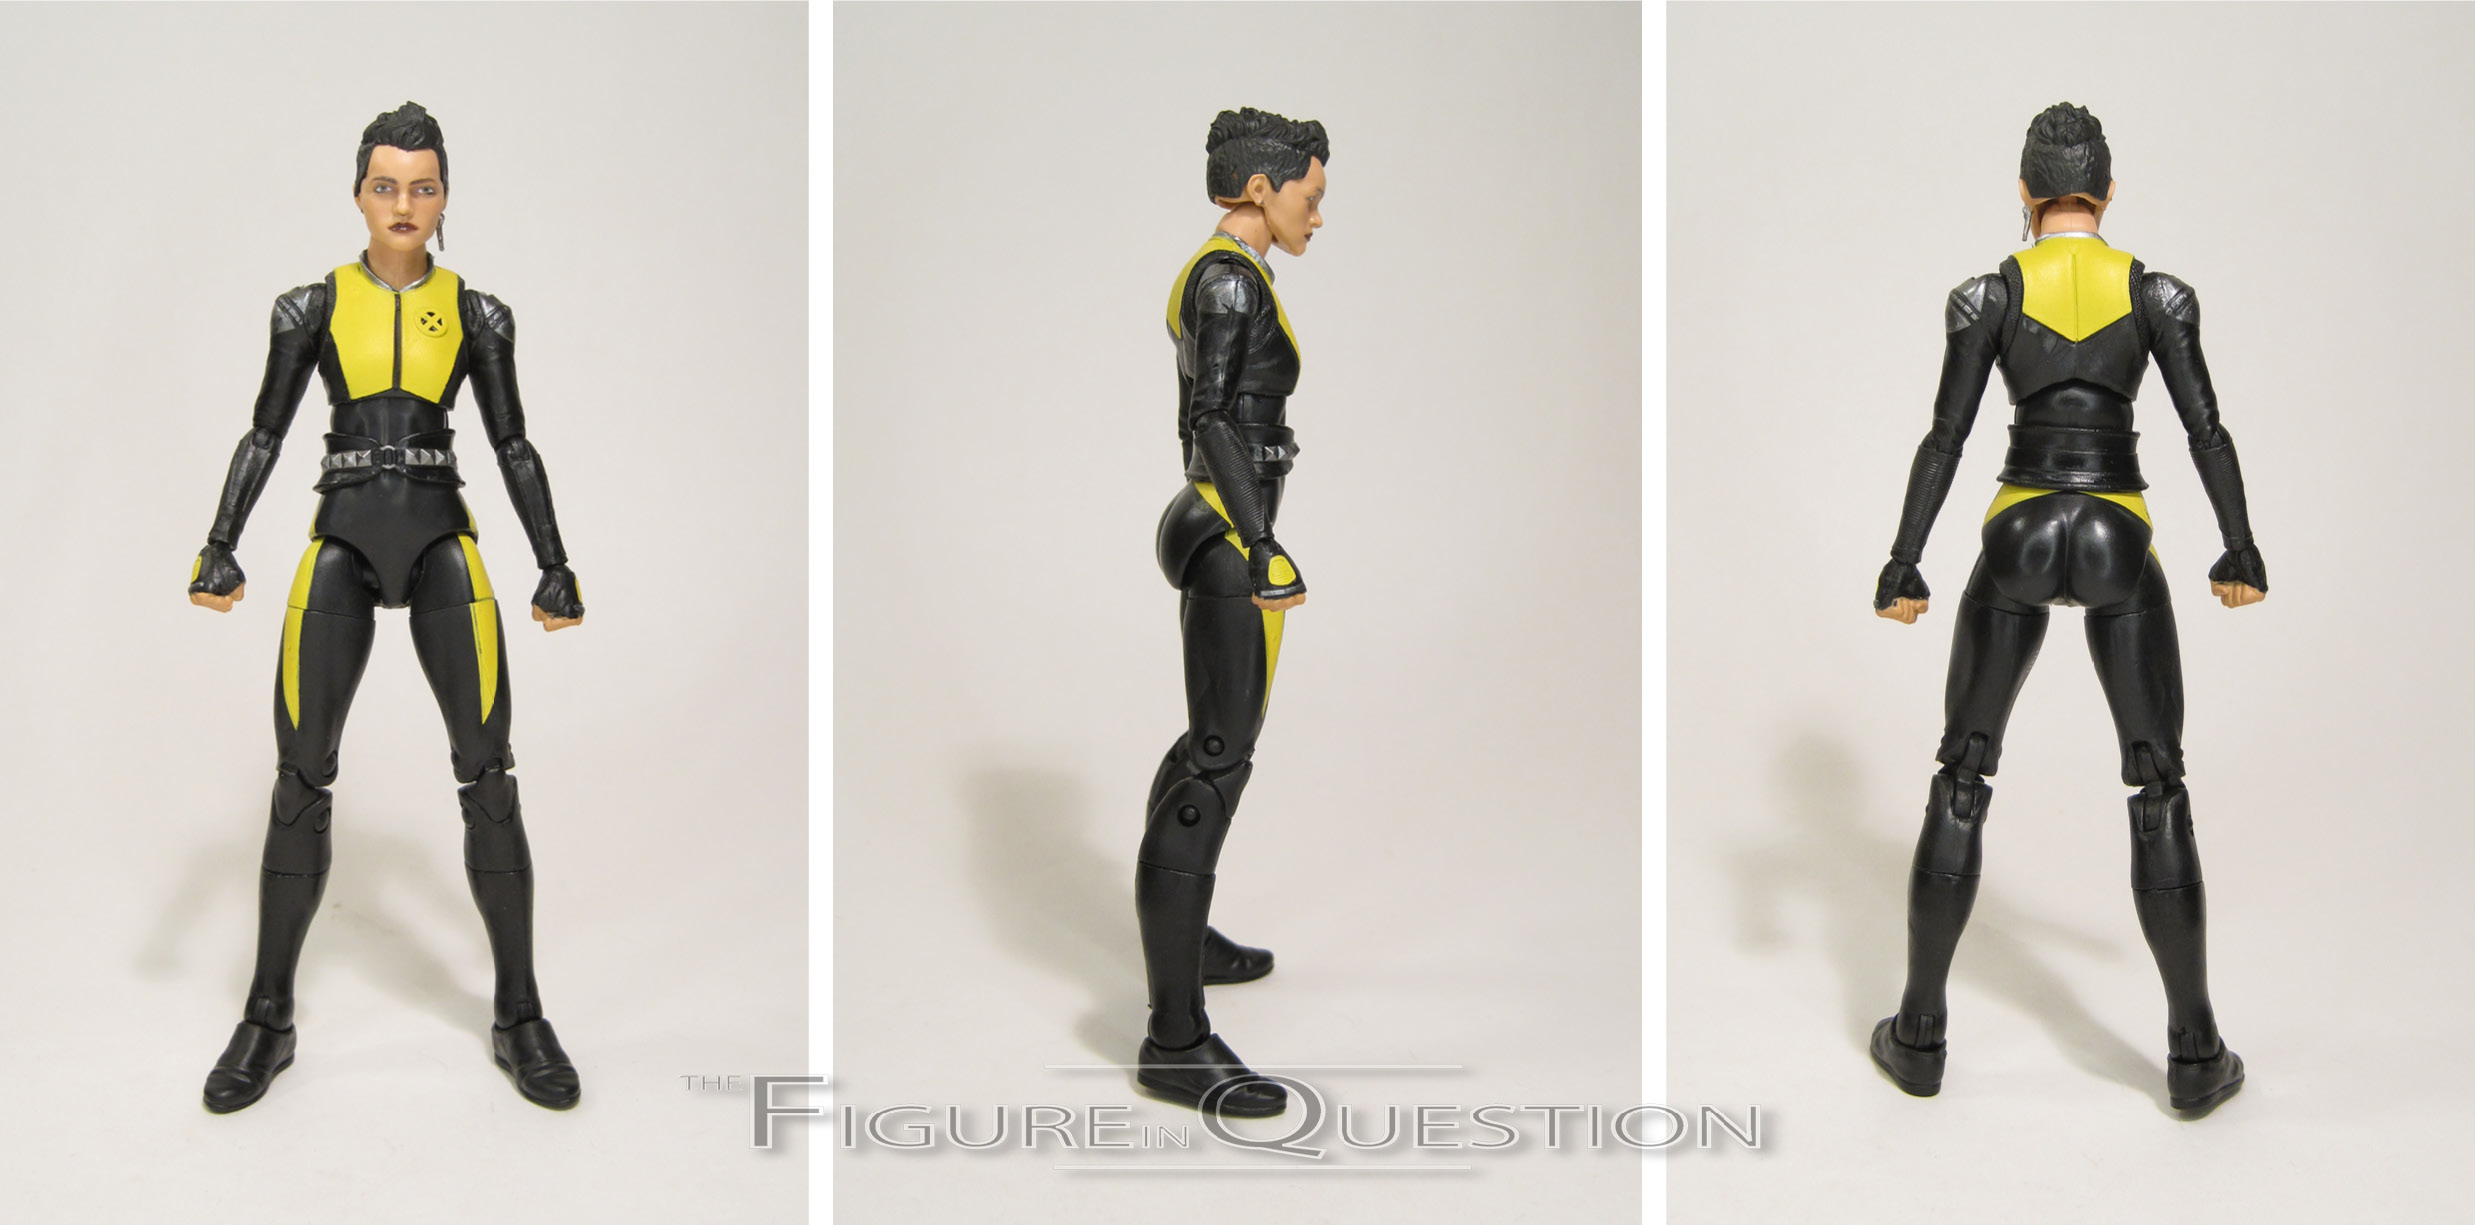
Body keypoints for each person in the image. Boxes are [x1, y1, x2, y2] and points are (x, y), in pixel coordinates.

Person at [188, 102, 587, 1113]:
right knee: (300, 778)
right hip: (343, 541)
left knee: (488, 775)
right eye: (385, 185)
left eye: (423, 187)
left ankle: (520, 1011)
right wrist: (220, 542)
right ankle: (268, 1014)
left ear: (445, 197)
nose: (404, 203)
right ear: (359, 194)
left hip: (443, 539)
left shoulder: (480, 314)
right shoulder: (309, 307)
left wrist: (554, 562)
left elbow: (512, 444)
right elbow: (266, 433)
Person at [1868, 103, 2264, 1115]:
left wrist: (1904, 561)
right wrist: (2238, 544)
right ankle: (2193, 1051)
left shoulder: (1988, 295)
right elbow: (2207, 431)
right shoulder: (2155, 294)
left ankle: (1918, 1034)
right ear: (2108, 191)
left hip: (2019, 527)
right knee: (2157, 784)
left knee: (1962, 773)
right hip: (2116, 532)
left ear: (2024, 192)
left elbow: (1946, 437)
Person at [1135, 107, 1327, 1117]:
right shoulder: (1226, 280)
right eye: (1310, 195)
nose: (1316, 216)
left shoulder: (1236, 276)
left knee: (1207, 748)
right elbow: (1207, 415)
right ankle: (1174, 1036)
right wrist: (1258, 543)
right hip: (1222, 536)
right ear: (1262, 188)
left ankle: (1187, 933)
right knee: (1216, 763)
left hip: (1226, 528)